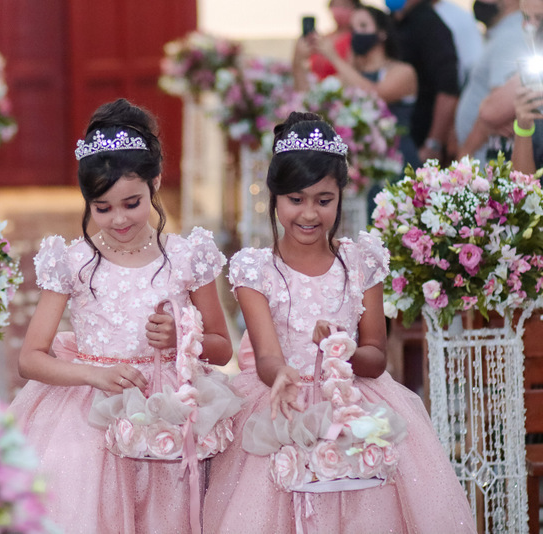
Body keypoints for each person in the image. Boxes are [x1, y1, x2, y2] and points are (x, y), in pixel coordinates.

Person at [202, 112, 476, 533]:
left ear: (341, 197)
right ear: (275, 197)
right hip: (285, 405)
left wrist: (343, 350)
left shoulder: (361, 262)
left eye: (323, 200)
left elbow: (376, 357)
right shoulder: (256, 271)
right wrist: (283, 374)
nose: (309, 213)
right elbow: (267, 359)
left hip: (354, 400)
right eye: (296, 199)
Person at [8, 98, 234, 532]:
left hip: (169, 408)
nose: (118, 220)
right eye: (102, 207)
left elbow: (223, 349)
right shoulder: (73, 262)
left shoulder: (187, 257)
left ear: (156, 183)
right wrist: (94, 375)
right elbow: (30, 358)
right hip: (90, 410)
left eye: (132, 203)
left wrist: (183, 338)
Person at [295, 4, 420, 171]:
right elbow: (310, 99)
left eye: (363, 26)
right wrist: (298, 60)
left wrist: (334, 57)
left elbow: (375, 95)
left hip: (397, 162)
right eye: (353, 28)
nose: (356, 33)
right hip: (362, 167)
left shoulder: (403, 71)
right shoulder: (348, 75)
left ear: (382, 33)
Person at [389, 0, 460, 163]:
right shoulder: (393, 21)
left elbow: (448, 88)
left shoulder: (430, 25)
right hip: (395, 140)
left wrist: (433, 144)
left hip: (419, 139)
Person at [455, 0, 525, 162]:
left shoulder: (510, 37)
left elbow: (499, 110)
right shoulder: (501, 34)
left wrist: (466, 151)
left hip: (486, 160)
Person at [304, 0, 361, 80]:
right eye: (335, 5)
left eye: (345, 5)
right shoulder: (323, 37)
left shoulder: (357, 38)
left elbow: (352, 74)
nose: (339, 10)